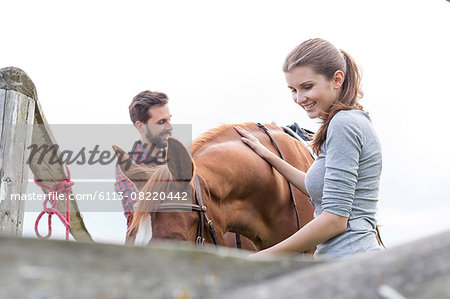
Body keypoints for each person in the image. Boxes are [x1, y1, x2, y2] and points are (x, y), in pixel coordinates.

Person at [235, 38, 382, 258]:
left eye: (307, 87)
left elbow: (334, 220)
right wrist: (269, 156)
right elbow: (322, 190)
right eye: (293, 90)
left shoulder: (344, 124)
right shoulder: (347, 122)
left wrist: (261, 257)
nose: (299, 98)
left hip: (350, 260)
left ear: (337, 79)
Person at [114, 90, 172, 241]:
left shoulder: (176, 160)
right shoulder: (127, 164)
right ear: (141, 126)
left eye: (169, 120)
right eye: (161, 122)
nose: (169, 127)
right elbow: (136, 208)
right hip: (145, 246)